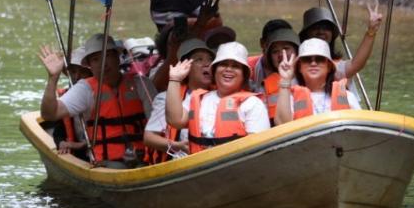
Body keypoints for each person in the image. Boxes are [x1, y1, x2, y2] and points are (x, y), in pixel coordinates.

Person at [39, 34, 146, 167]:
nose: (103, 64)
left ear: (117, 58)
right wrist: (53, 78)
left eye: (107, 56)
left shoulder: (140, 84)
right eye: (96, 59)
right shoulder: (85, 88)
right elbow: (49, 114)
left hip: (145, 156)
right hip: (108, 162)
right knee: (118, 167)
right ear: (90, 65)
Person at [165, 41, 276, 154]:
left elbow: (258, 150)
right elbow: (175, 120)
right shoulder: (200, 98)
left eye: (235, 66)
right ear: (214, 71)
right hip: (199, 165)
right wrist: (174, 80)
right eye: (223, 64)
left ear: (244, 75)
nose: (228, 69)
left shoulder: (252, 104)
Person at [141, 37, 212, 163]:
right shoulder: (165, 98)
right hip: (179, 161)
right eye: (199, 59)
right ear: (185, 67)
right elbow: (149, 137)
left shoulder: (219, 95)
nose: (207, 64)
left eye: (210, 59)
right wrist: (176, 145)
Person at [297, 2, 384, 80]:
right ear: (306, 33)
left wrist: (371, 31)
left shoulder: (337, 67)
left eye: (326, 28)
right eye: (315, 28)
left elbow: (357, 64)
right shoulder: (295, 65)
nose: (321, 31)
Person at [276, 38, 359, 118]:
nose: (313, 63)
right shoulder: (290, 99)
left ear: (329, 66)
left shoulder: (347, 96)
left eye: (319, 59)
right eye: (307, 59)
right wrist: (285, 79)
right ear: (299, 67)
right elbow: (281, 123)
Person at [255, 28, 301, 124]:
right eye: (275, 51)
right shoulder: (264, 87)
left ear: (297, 51)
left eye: (286, 48)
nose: (281, 54)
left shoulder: (310, 77)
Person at [248, 18, 293, 89]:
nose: (281, 54)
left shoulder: (302, 68)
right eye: (275, 49)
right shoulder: (247, 69)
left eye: (285, 48)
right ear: (262, 44)